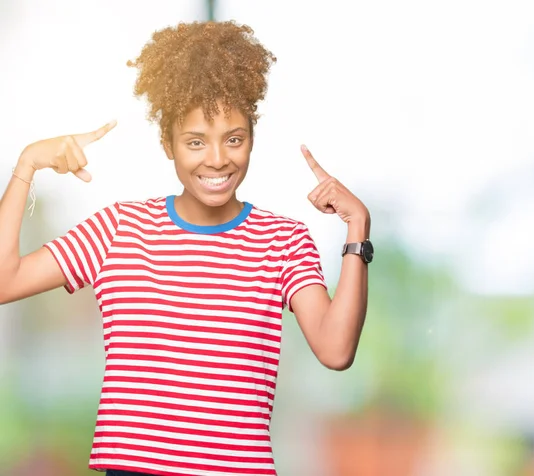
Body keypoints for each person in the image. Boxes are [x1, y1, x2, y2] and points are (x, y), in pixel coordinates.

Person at [0, 20, 373, 476]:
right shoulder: (119, 228)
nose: (217, 159)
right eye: (195, 142)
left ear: (252, 138)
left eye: (234, 139)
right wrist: (26, 166)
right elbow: (5, 281)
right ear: (167, 145)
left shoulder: (283, 240)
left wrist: (357, 228)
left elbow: (336, 351)